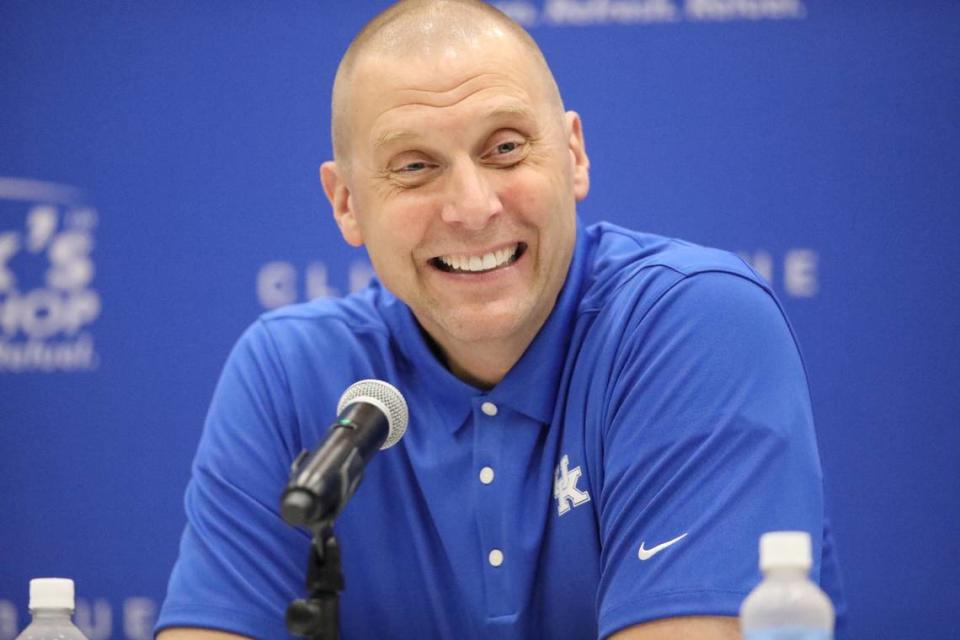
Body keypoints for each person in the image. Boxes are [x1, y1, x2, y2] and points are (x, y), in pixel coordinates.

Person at [155, 1, 845, 638]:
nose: (472, 205)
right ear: (345, 203)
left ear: (572, 154)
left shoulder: (693, 323)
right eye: (416, 165)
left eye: (506, 148)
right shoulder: (288, 372)